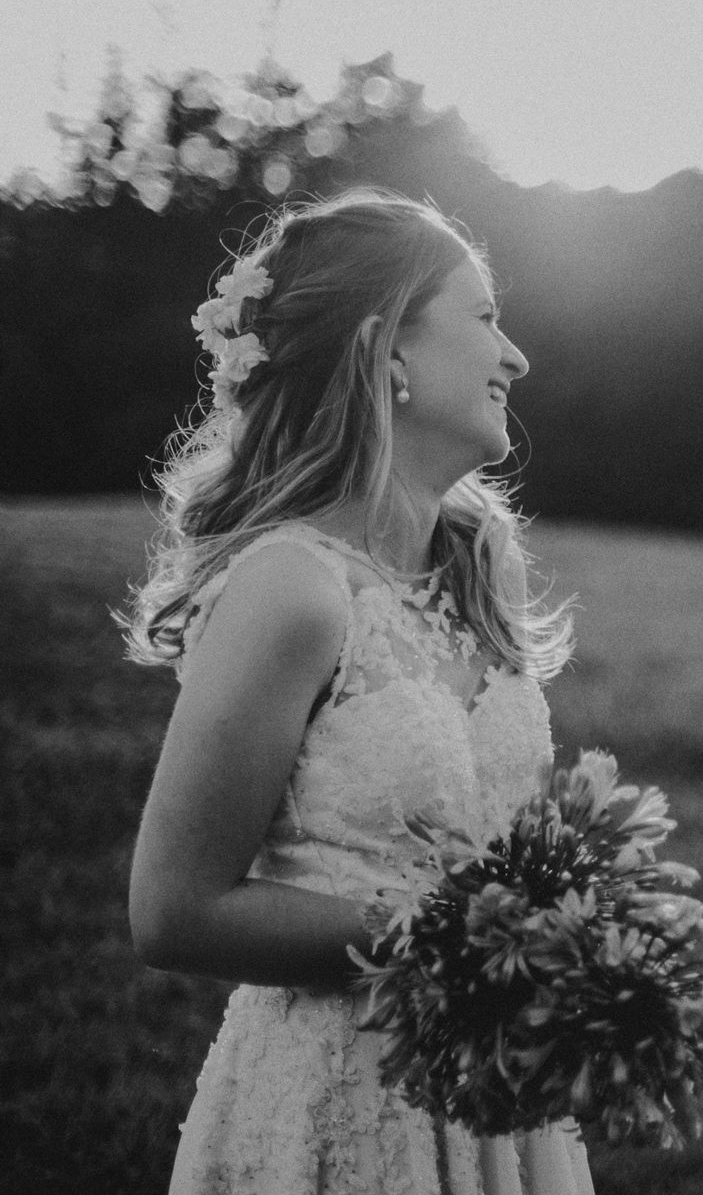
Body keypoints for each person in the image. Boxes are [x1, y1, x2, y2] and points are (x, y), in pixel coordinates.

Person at [123, 191, 595, 1194]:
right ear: (389, 352)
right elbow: (173, 910)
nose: (515, 358)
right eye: (483, 318)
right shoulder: (292, 588)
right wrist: (459, 939)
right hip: (343, 1103)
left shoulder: (481, 572)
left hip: (500, 1103)